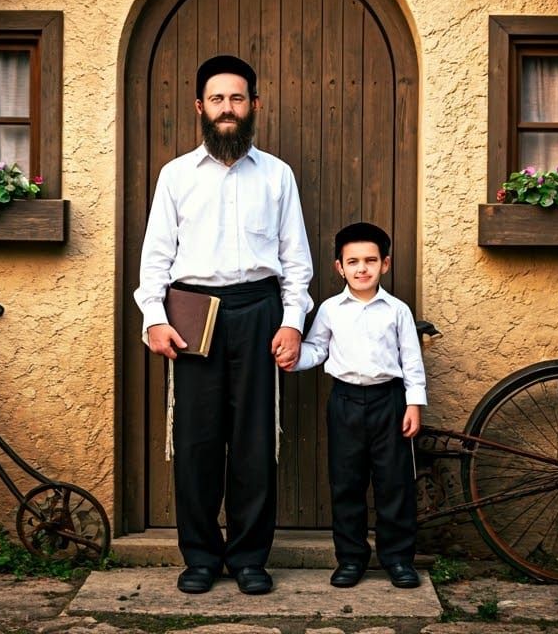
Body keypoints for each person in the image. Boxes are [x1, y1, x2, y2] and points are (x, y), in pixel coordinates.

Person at [134, 55, 314, 596]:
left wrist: (293, 322)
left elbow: (297, 260)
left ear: (254, 106)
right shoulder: (174, 176)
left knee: (256, 443)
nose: (227, 109)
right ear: (200, 107)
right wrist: (154, 320)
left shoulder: (278, 174)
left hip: (259, 312)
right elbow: (155, 259)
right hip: (193, 315)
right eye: (217, 99)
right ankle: (200, 558)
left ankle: (250, 558)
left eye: (237, 98)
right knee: (196, 443)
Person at [281, 221, 425, 589]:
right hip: (344, 402)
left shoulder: (397, 311)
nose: (362, 268)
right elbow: (316, 348)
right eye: (354, 261)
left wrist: (414, 404)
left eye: (371, 260)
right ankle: (350, 559)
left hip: (388, 402)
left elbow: (411, 361)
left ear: (385, 265)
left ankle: (398, 560)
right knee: (347, 484)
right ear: (339, 267)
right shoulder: (331, 310)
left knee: (394, 485)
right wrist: (294, 358)